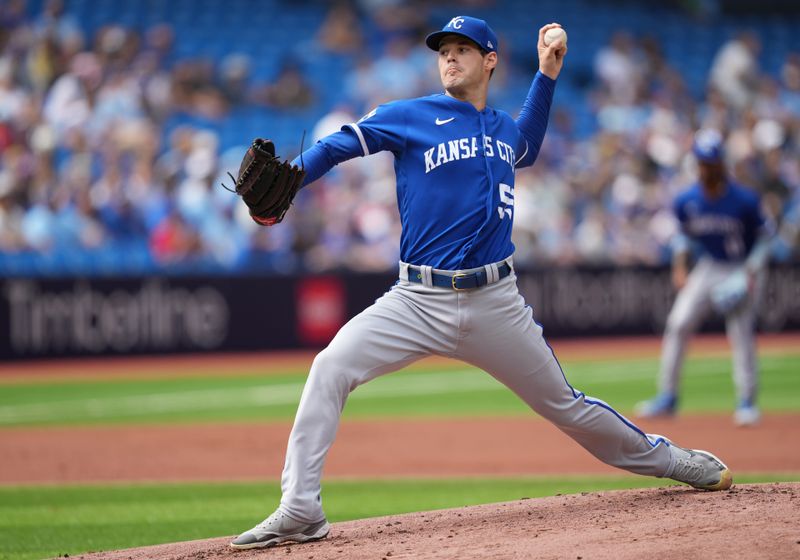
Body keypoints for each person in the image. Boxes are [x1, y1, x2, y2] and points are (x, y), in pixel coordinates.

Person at [230, 17, 733, 550]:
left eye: (462, 50)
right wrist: (299, 174)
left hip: (496, 302)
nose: (449, 58)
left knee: (566, 405)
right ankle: (301, 509)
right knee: (330, 367)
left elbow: (528, 145)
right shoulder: (410, 115)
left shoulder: (501, 129)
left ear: (489, 60)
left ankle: (673, 460)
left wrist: (546, 74)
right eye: (443, 50)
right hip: (417, 299)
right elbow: (339, 144)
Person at [635, 129, 771, 427]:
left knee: (741, 334)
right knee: (678, 323)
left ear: (721, 163)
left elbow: (764, 240)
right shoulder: (687, 199)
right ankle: (667, 396)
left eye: (711, 162)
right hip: (709, 266)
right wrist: (680, 266)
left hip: (740, 266)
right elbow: (683, 237)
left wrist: (749, 273)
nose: (707, 168)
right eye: (702, 162)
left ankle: (747, 401)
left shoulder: (744, 199)